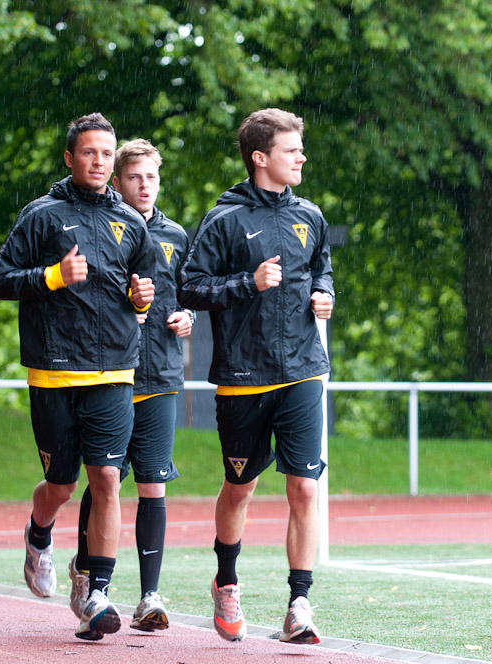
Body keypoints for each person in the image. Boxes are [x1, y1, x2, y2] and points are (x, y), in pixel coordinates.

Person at [0, 113, 155, 641]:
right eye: (88, 152)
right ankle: (39, 534)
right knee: (61, 485)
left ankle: (97, 590)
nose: (98, 161)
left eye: (106, 153)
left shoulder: (131, 222)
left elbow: (140, 289)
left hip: (114, 371)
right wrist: (52, 276)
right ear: (70, 157)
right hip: (55, 373)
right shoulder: (42, 215)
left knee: (106, 479)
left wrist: (141, 299)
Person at [178, 108, 334, 645]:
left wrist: (324, 293)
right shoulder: (224, 219)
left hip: (303, 370)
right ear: (261, 157)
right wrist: (248, 282)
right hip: (244, 377)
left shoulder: (310, 215)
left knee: (305, 487)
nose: (302, 157)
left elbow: (321, 267)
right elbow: (190, 288)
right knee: (240, 487)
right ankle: (226, 580)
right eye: (293, 150)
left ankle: (299, 604)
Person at [68, 139, 192, 633]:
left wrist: (187, 316)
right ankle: (89, 579)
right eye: (135, 177)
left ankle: (149, 597)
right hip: (111, 374)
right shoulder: (102, 228)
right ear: (117, 182)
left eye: (152, 178)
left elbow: (186, 292)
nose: (145, 186)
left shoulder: (175, 235)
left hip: (160, 375)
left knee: (152, 482)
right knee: (105, 479)